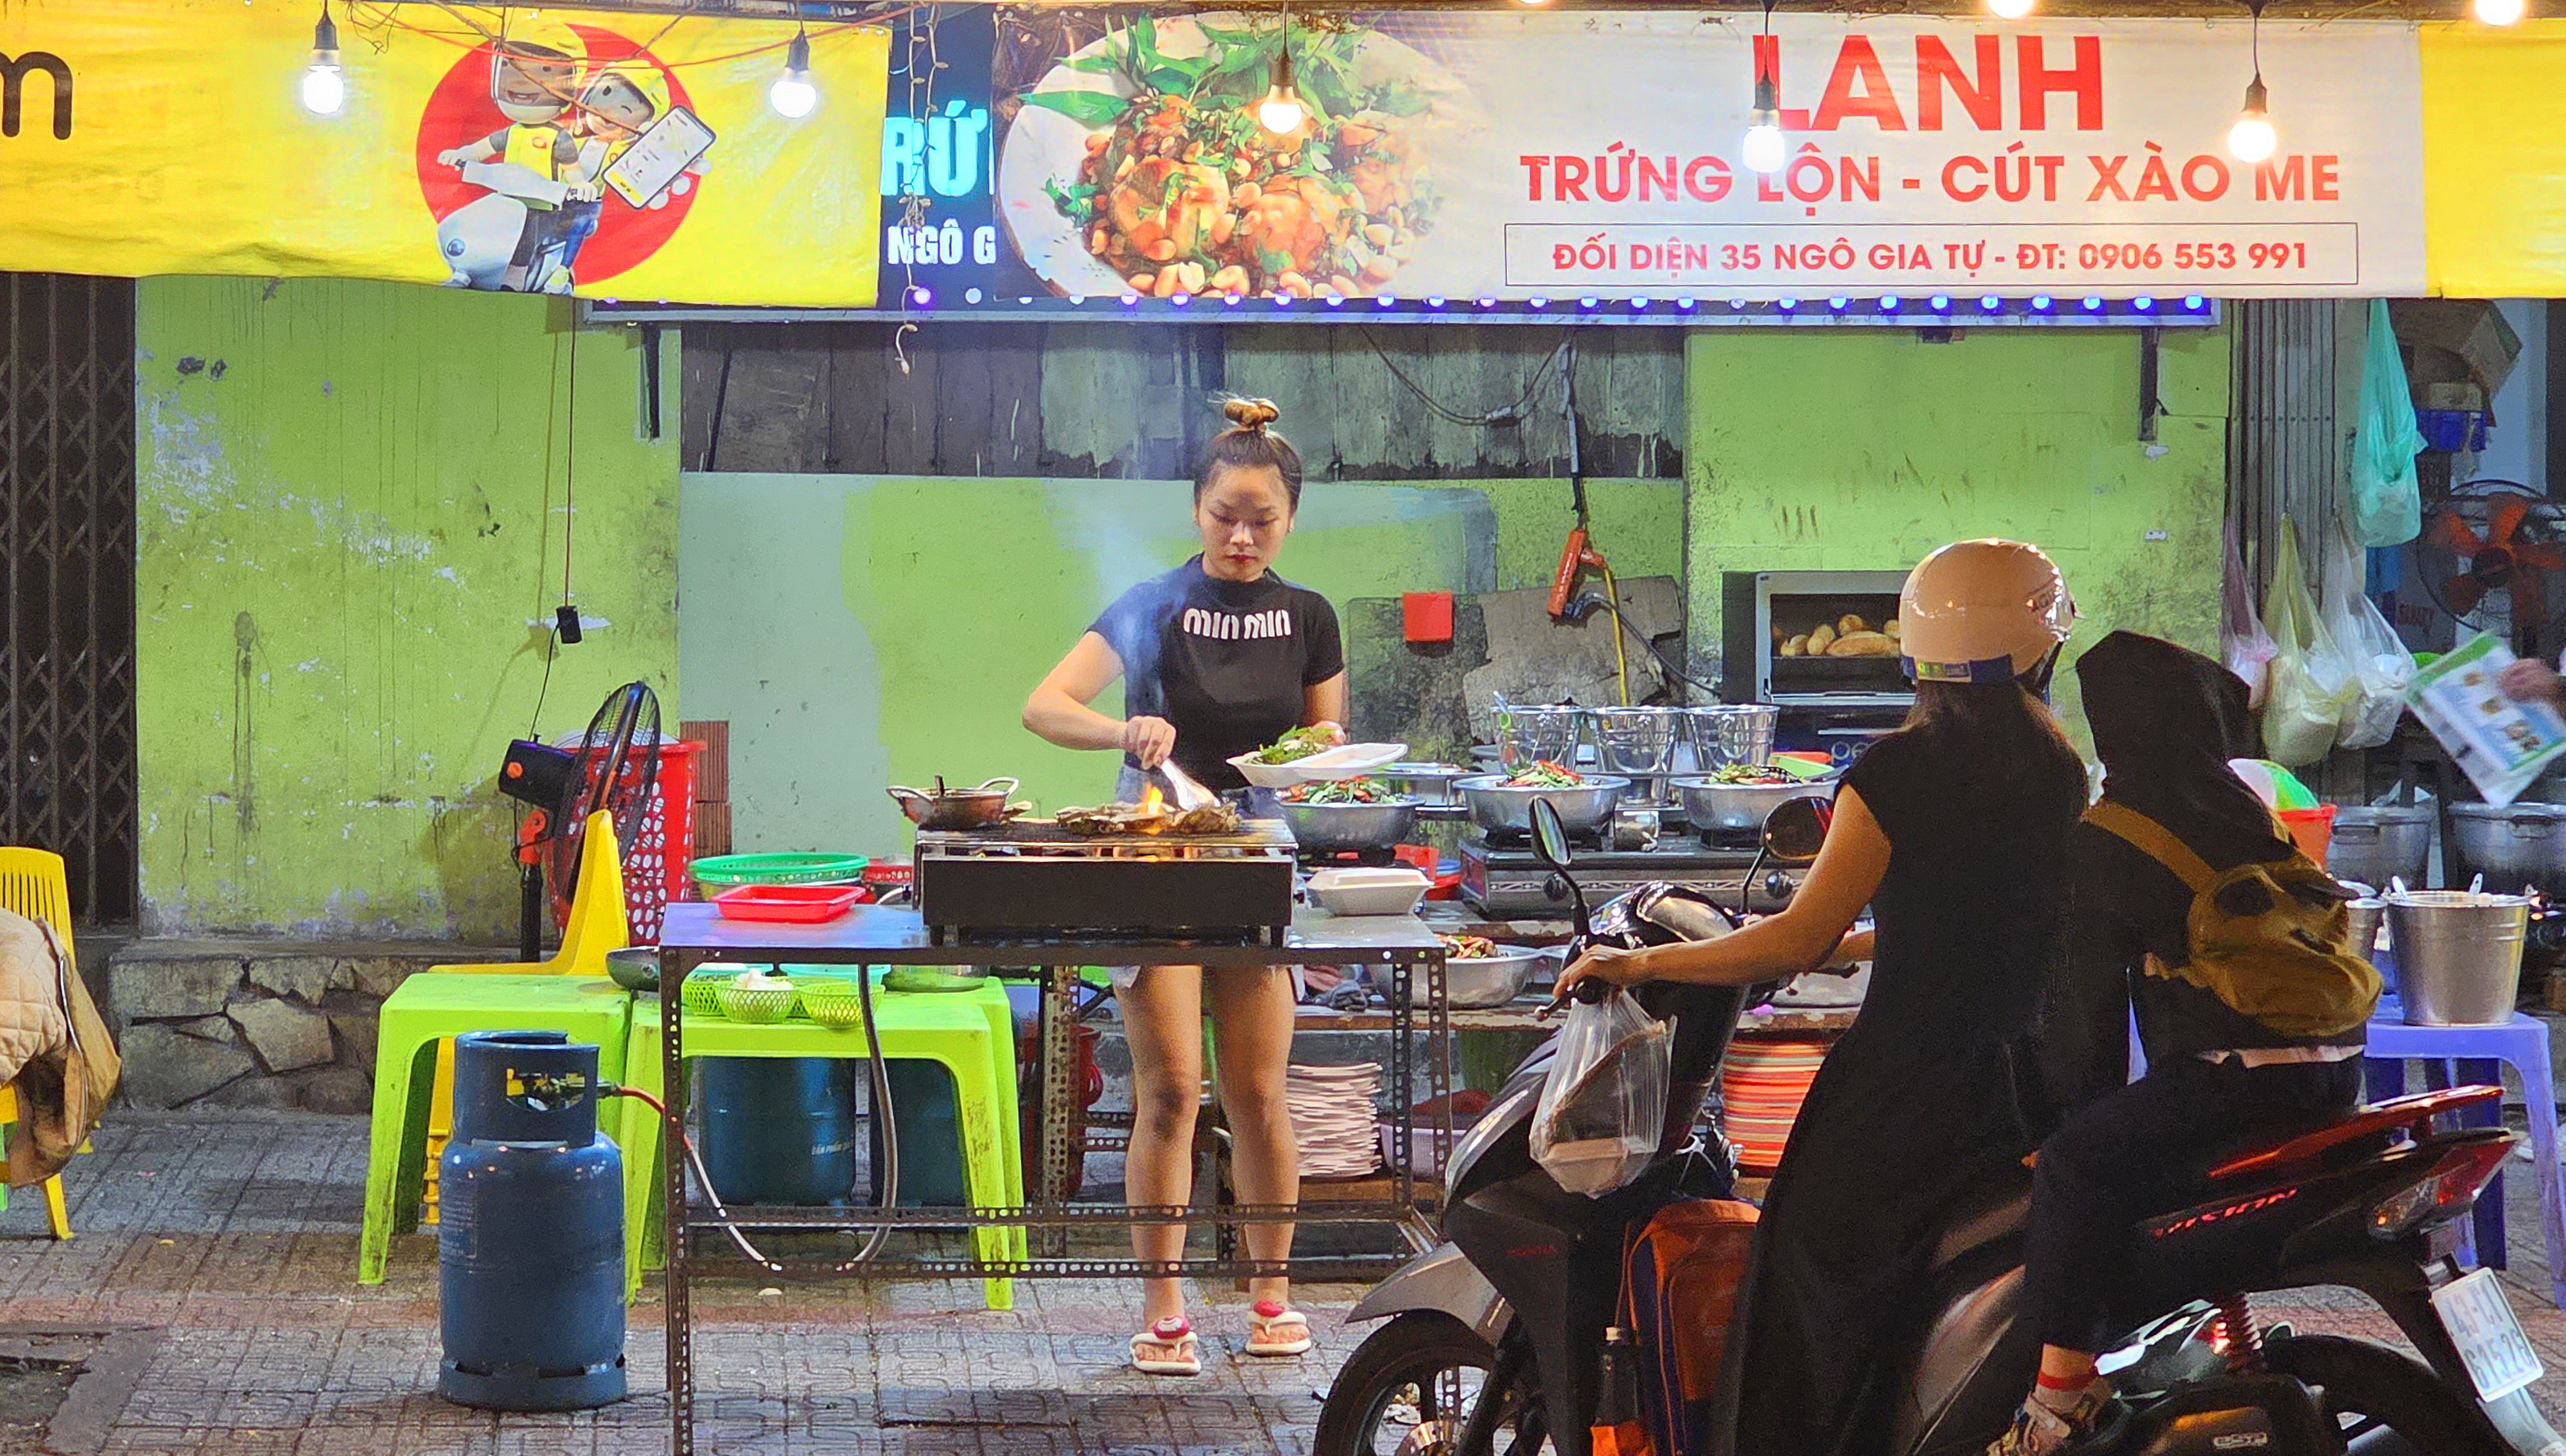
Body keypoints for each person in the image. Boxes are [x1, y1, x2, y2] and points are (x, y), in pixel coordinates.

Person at [1556, 539, 2088, 1456]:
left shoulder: (1892, 775)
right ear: (2039, 652)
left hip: (1900, 1099)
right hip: (2012, 1087)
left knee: (1807, 1293)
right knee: (1899, 1299)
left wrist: (1640, 968)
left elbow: (1793, 935)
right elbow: (1982, 918)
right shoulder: (2056, 770)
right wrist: (1859, 940)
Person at [1986, 631, 2377, 1456]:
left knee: (2075, 1167)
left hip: (2235, 1077)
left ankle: (2058, 1401)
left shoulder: (2115, 828)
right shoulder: (2243, 806)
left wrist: (2054, 1122)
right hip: (2338, 1069)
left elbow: (2083, 1012)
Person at [1022, 397, 1346, 1376]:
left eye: (1263, 520)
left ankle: (1270, 1296)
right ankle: (1164, 1312)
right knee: (1169, 1089)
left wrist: (1304, 756)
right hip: (1151, 849)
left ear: (1289, 519)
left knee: (1257, 1090)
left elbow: (1326, 738)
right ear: (1197, 509)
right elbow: (1045, 706)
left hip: (1255, 854)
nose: (1242, 537)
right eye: (1224, 517)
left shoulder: (1308, 616)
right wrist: (1124, 731)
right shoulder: (1152, 601)